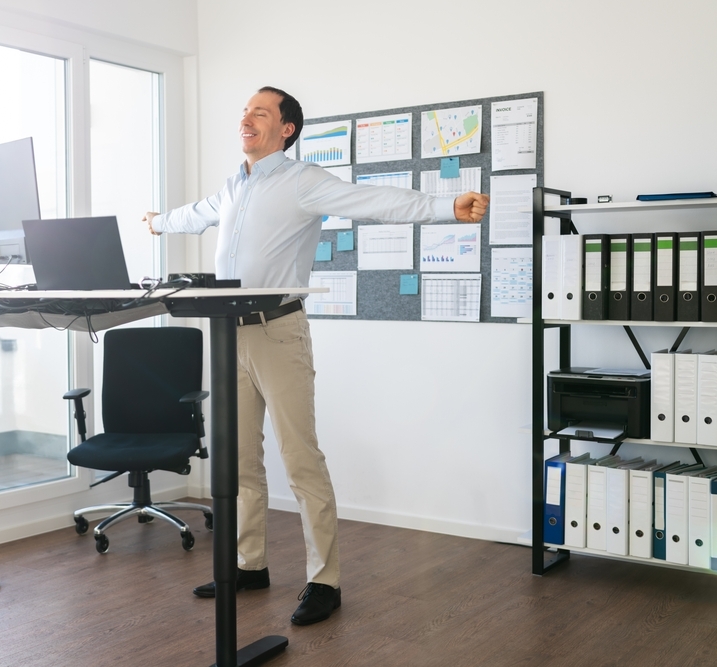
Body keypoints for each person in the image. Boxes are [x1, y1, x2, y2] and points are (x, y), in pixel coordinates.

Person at [143, 86, 489, 626]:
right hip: (227, 335)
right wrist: (160, 221)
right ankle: (247, 564)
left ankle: (324, 580)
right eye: (244, 111)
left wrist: (447, 205)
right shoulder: (234, 185)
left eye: (260, 112)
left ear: (286, 129)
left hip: (278, 335)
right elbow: (196, 214)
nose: (246, 118)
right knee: (238, 459)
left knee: (301, 458)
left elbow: (375, 202)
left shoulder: (302, 182)